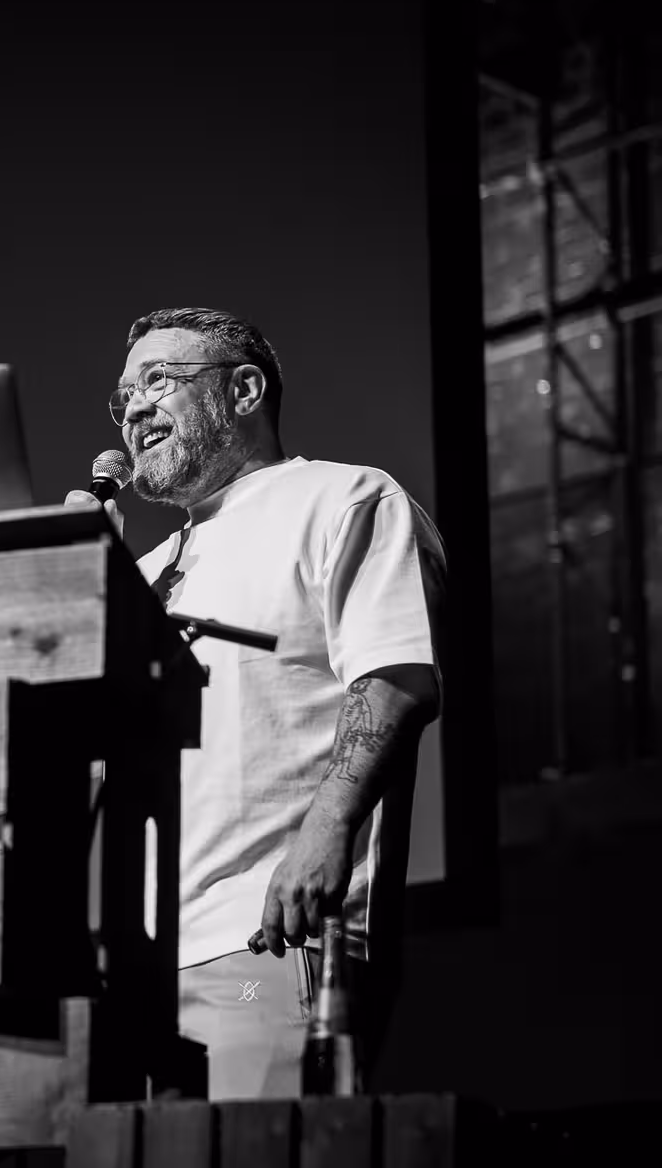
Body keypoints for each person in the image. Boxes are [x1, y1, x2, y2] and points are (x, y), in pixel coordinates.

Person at [66, 307, 446, 1100]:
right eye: (123, 395)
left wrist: (327, 830)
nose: (134, 408)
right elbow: (95, 761)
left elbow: (394, 679)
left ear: (243, 389)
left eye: (158, 381)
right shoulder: (145, 568)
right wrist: (74, 596)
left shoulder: (342, 498)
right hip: (142, 961)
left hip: (268, 931)